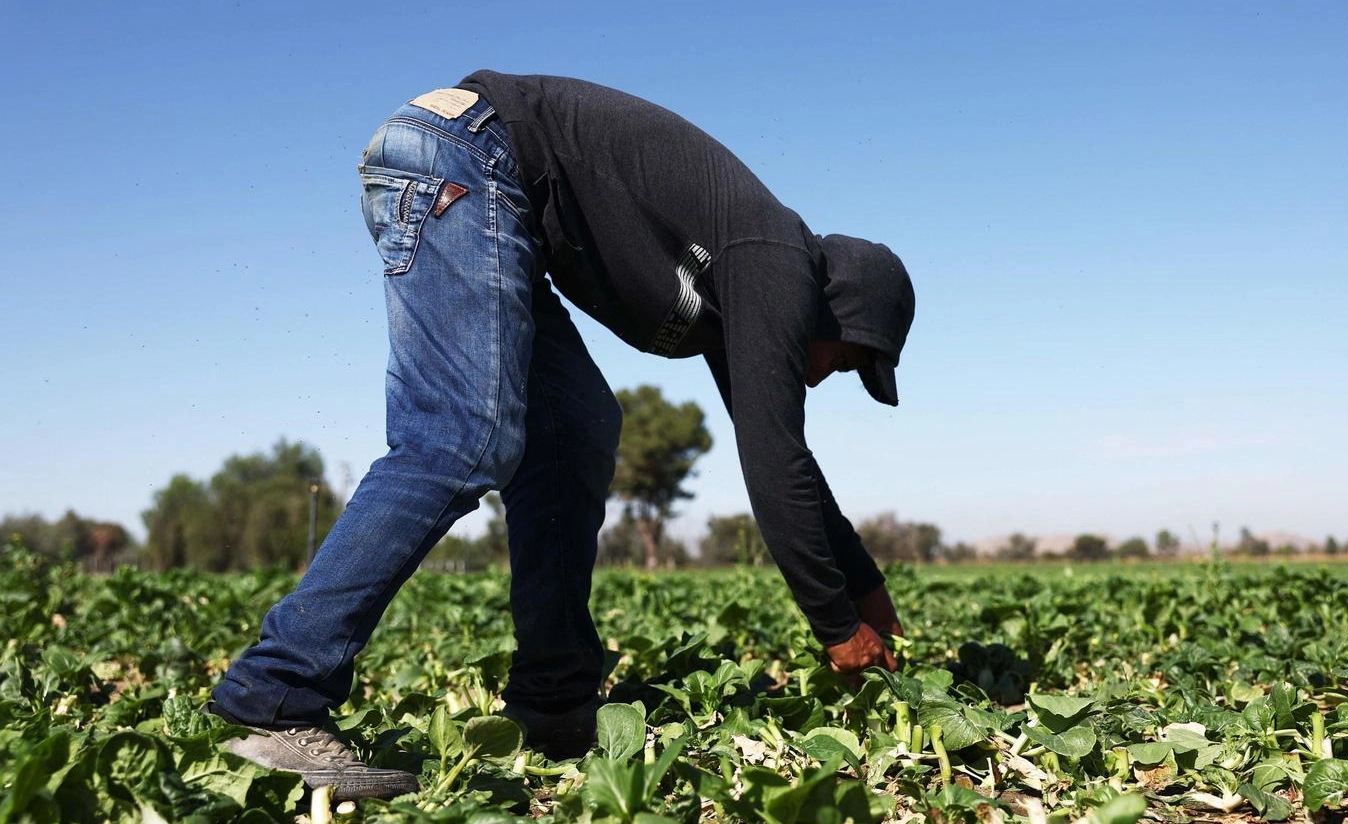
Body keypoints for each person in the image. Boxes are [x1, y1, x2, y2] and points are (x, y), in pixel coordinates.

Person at [207, 71, 915, 800]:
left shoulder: (748, 287)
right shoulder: (776, 261)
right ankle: (274, 697)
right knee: (459, 435)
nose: (828, 377)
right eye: (850, 361)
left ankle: (553, 701)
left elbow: (779, 450)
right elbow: (776, 464)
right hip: (469, 154)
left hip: (483, 179)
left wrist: (864, 584)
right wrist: (837, 626)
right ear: (841, 312)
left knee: (573, 431)